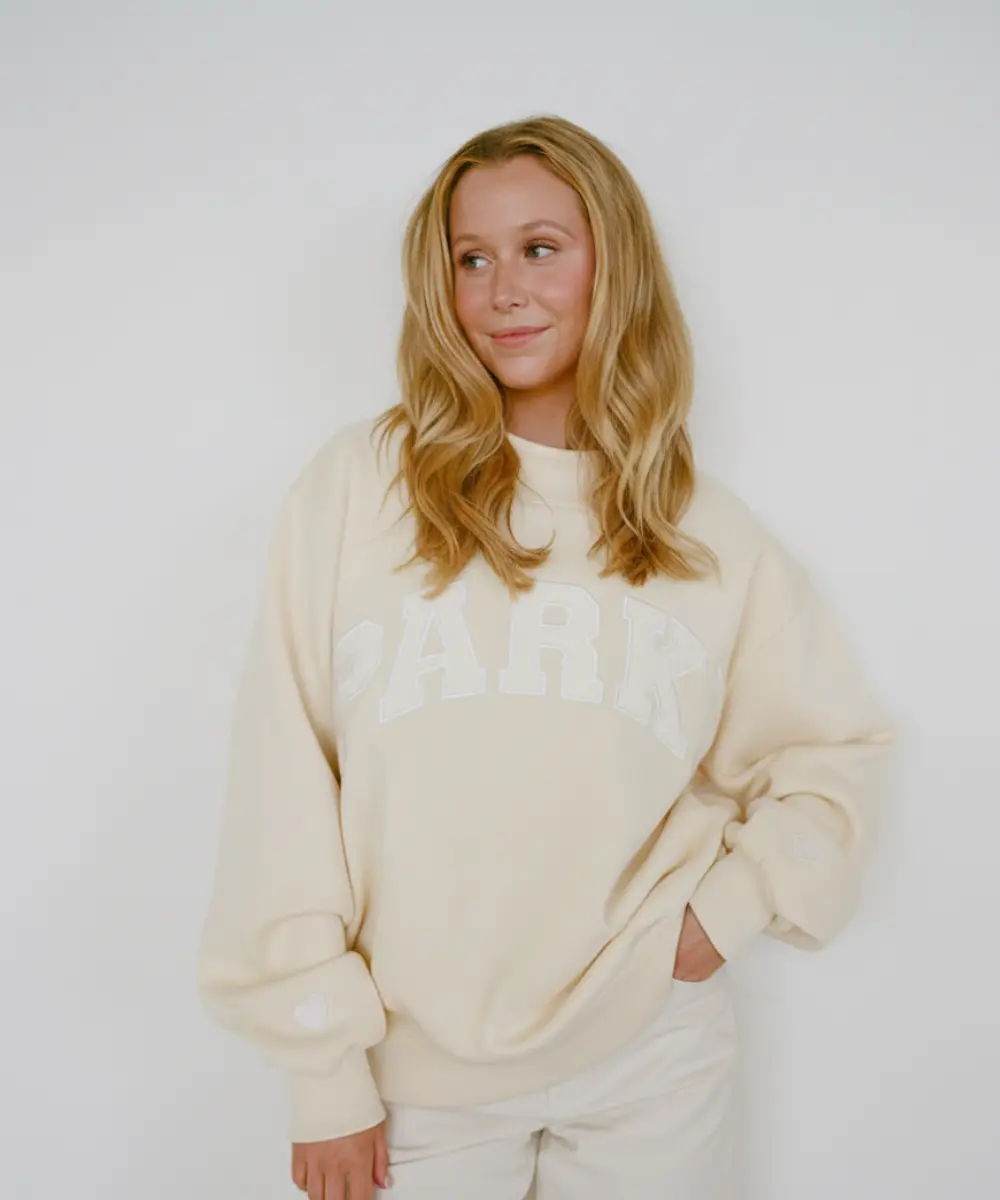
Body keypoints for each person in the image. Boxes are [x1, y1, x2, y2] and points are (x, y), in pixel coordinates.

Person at [195, 114, 894, 1200]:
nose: (502, 291)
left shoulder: (703, 530)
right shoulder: (362, 487)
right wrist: (323, 1070)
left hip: (651, 1055)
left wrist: (723, 916)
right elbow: (283, 778)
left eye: (539, 249)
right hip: (412, 1069)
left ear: (613, 265)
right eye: (470, 259)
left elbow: (832, 753)